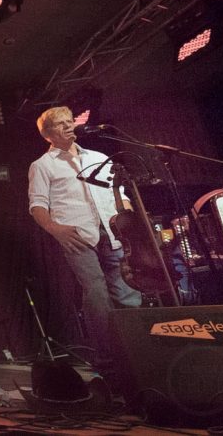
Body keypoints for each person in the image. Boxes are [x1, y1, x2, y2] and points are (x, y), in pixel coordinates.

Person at [28, 106, 141, 381]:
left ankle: (138, 353)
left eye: (70, 122)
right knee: (97, 294)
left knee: (128, 291)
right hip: (79, 236)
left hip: (114, 232)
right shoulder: (42, 165)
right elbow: (37, 206)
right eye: (60, 125)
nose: (69, 127)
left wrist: (126, 213)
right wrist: (56, 230)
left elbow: (119, 192)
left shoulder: (99, 157)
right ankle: (107, 363)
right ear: (47, 134)